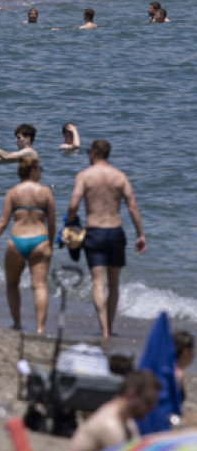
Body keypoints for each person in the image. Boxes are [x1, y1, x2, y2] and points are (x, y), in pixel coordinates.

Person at [66, 139, 146, 338]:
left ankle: (103, 331)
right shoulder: (120, 177)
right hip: (115, 232)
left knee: (98, 283)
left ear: (93, 153)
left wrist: (68, 224)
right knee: (114, 284)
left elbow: (73, 204)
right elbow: (132, 206)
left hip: (94, 233)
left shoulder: (84, 176)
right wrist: (140, 234)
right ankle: (110, 327)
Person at [0, 154, 56, 334]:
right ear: (33, 170)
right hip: (40, 241)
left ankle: (17, 324)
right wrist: (49, 244)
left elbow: (2, 222)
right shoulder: (45, 192)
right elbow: (51, 223)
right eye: (40, 169)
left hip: (16, 242)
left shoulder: (13, 192)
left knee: (12, 284)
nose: (41, 173)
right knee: (40, 286)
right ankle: (40, 328)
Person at [66, 370, 160, 451]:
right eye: (148, 402)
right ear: (130, 394)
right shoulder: (110, 426)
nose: (151, 408)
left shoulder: (127, 422)